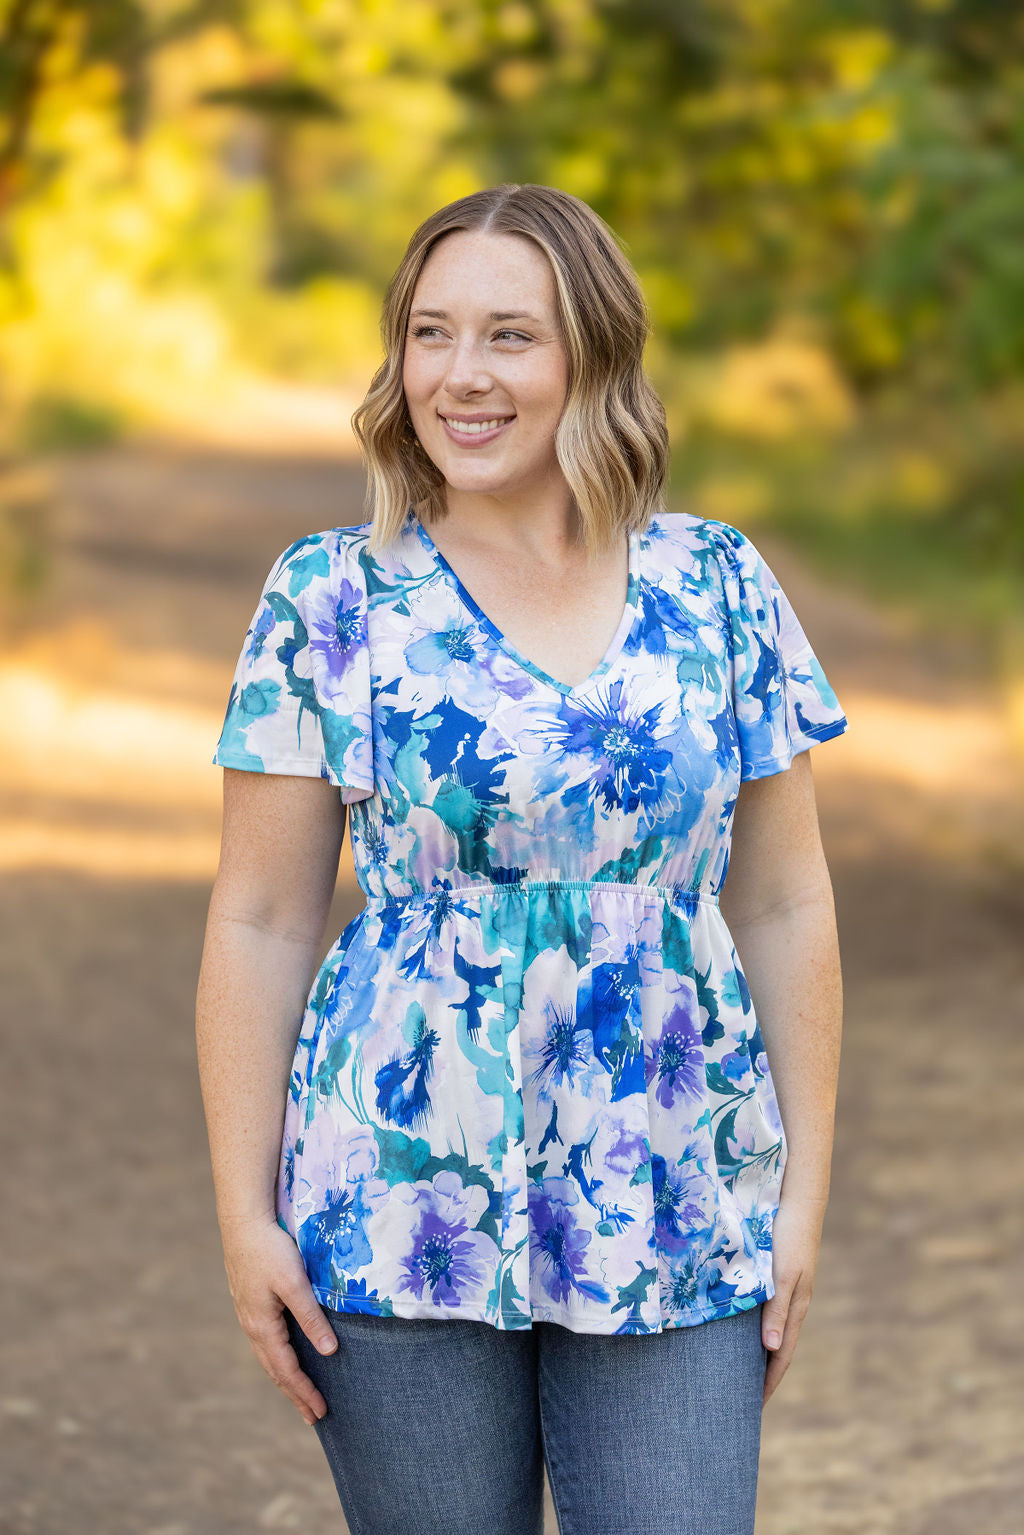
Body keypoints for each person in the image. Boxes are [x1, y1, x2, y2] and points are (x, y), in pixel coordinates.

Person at [196, 182, 848, 1535]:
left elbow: (786, 900)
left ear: (591, 356)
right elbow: (259, 918)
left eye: (509, 336)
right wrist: (244, 1219)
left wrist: (801, 1197)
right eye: (430, 334)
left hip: (673, 1186)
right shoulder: (332, 593)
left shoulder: (716, 583)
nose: (461, 375)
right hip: (393, 1190)